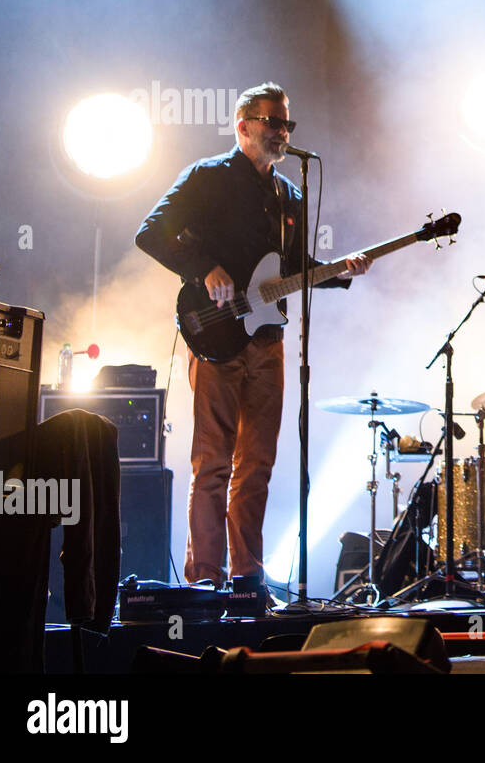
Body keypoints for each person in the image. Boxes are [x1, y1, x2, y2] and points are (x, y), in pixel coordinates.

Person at [135, 82, 371, 587]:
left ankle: (246, 577)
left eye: (287, 124)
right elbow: (150, 232)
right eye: (273, 122)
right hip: (214, 336)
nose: (283, 132)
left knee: (257, 465)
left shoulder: (291, 193)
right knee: (213, 462)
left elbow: (290, 268)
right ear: (243, 126)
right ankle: (204, 579)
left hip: (267, 341)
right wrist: (204, 270)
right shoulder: (207, 176)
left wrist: (340, 270)